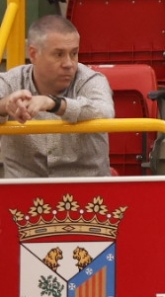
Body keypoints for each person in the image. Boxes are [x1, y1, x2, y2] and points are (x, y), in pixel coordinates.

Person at [0, 17, 111, 179]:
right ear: (34, 54)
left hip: (87, 194)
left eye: (74, 53)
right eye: (59, 54)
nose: (69, 63)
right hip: (23, 194)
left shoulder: (92, 80)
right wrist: (5, 105)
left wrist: (54, 104)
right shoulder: (10, 80)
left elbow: (105, 111)